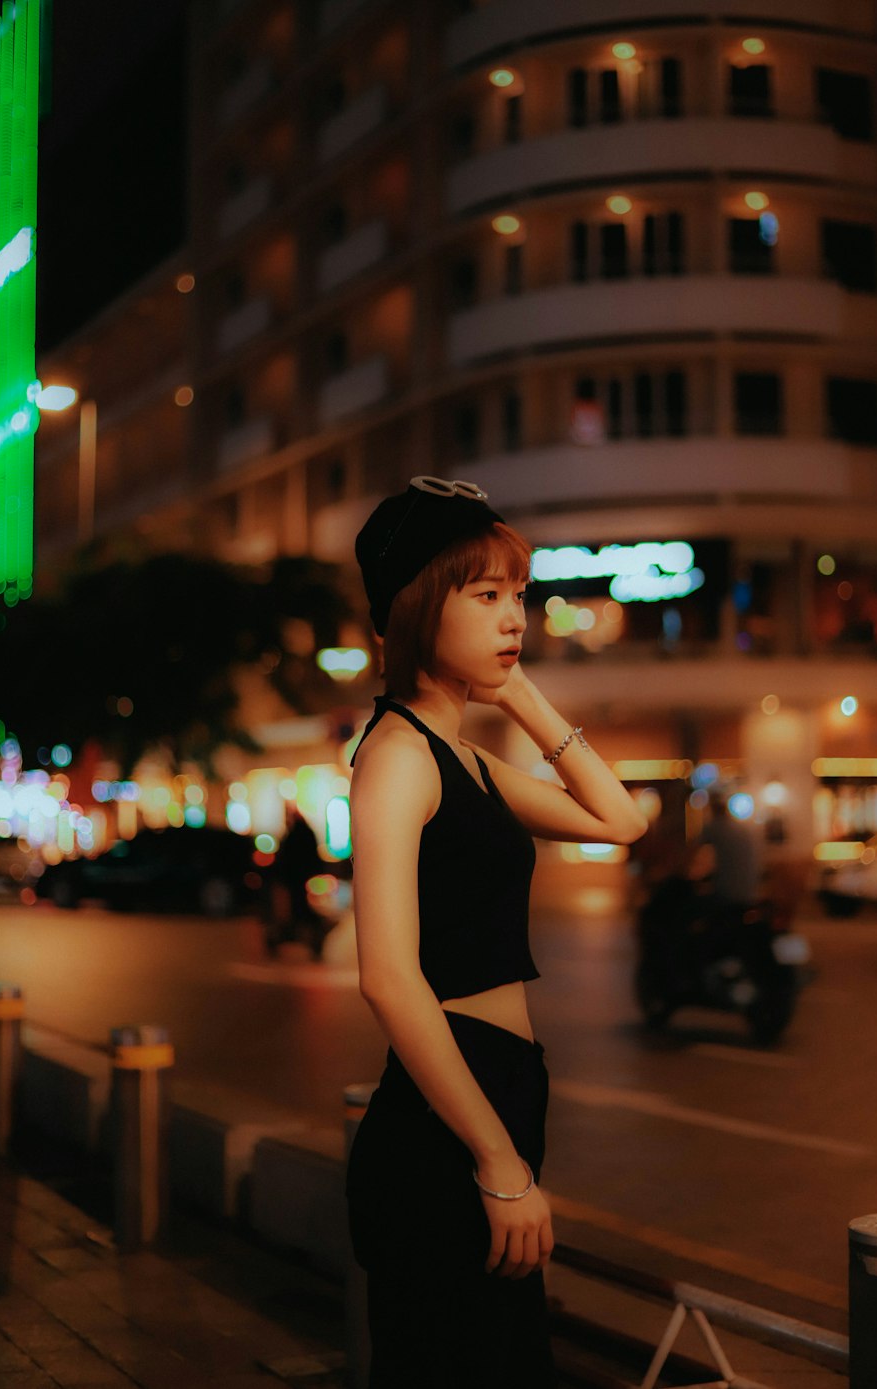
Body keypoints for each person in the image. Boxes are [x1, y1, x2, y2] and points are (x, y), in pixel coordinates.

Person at [345, 476, 648, 1389]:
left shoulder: (463, 757)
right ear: (415, 607)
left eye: (518, 594)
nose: (514, 615)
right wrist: (498, 1159)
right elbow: (390, 979)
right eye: (485, 595)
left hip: (500, 1093)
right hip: (449, 1124)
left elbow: (620, 820)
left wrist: (521, 699)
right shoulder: (397, 758)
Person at [265, 806, 323, 958]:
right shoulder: (305, 832)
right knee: (301, 909)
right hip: (301, 878)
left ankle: (299, 939)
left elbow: (287, 858)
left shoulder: (294, 834)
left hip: (294, 879)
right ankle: (307, 940)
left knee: (297, 909)